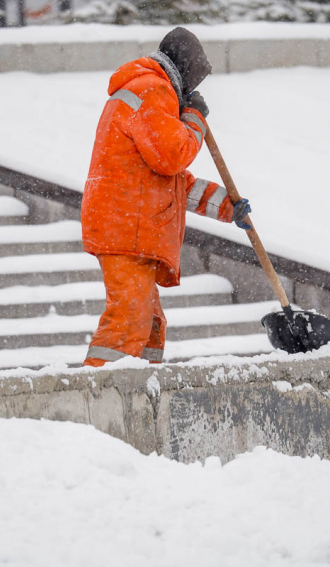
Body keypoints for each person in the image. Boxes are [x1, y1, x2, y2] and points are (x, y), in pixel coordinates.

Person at [81, 27, 252, 367]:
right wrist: (195, 119)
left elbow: (173, 182)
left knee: (150, 326)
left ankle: (142, 390)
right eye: (195, 81)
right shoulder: (152, 89)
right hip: (125, 230)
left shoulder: (149, 90)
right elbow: (174, 155)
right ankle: (96, 397)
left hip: (129, 228)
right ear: (185, 69)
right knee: (129, 321)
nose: (194, 90)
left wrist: (227, 206)